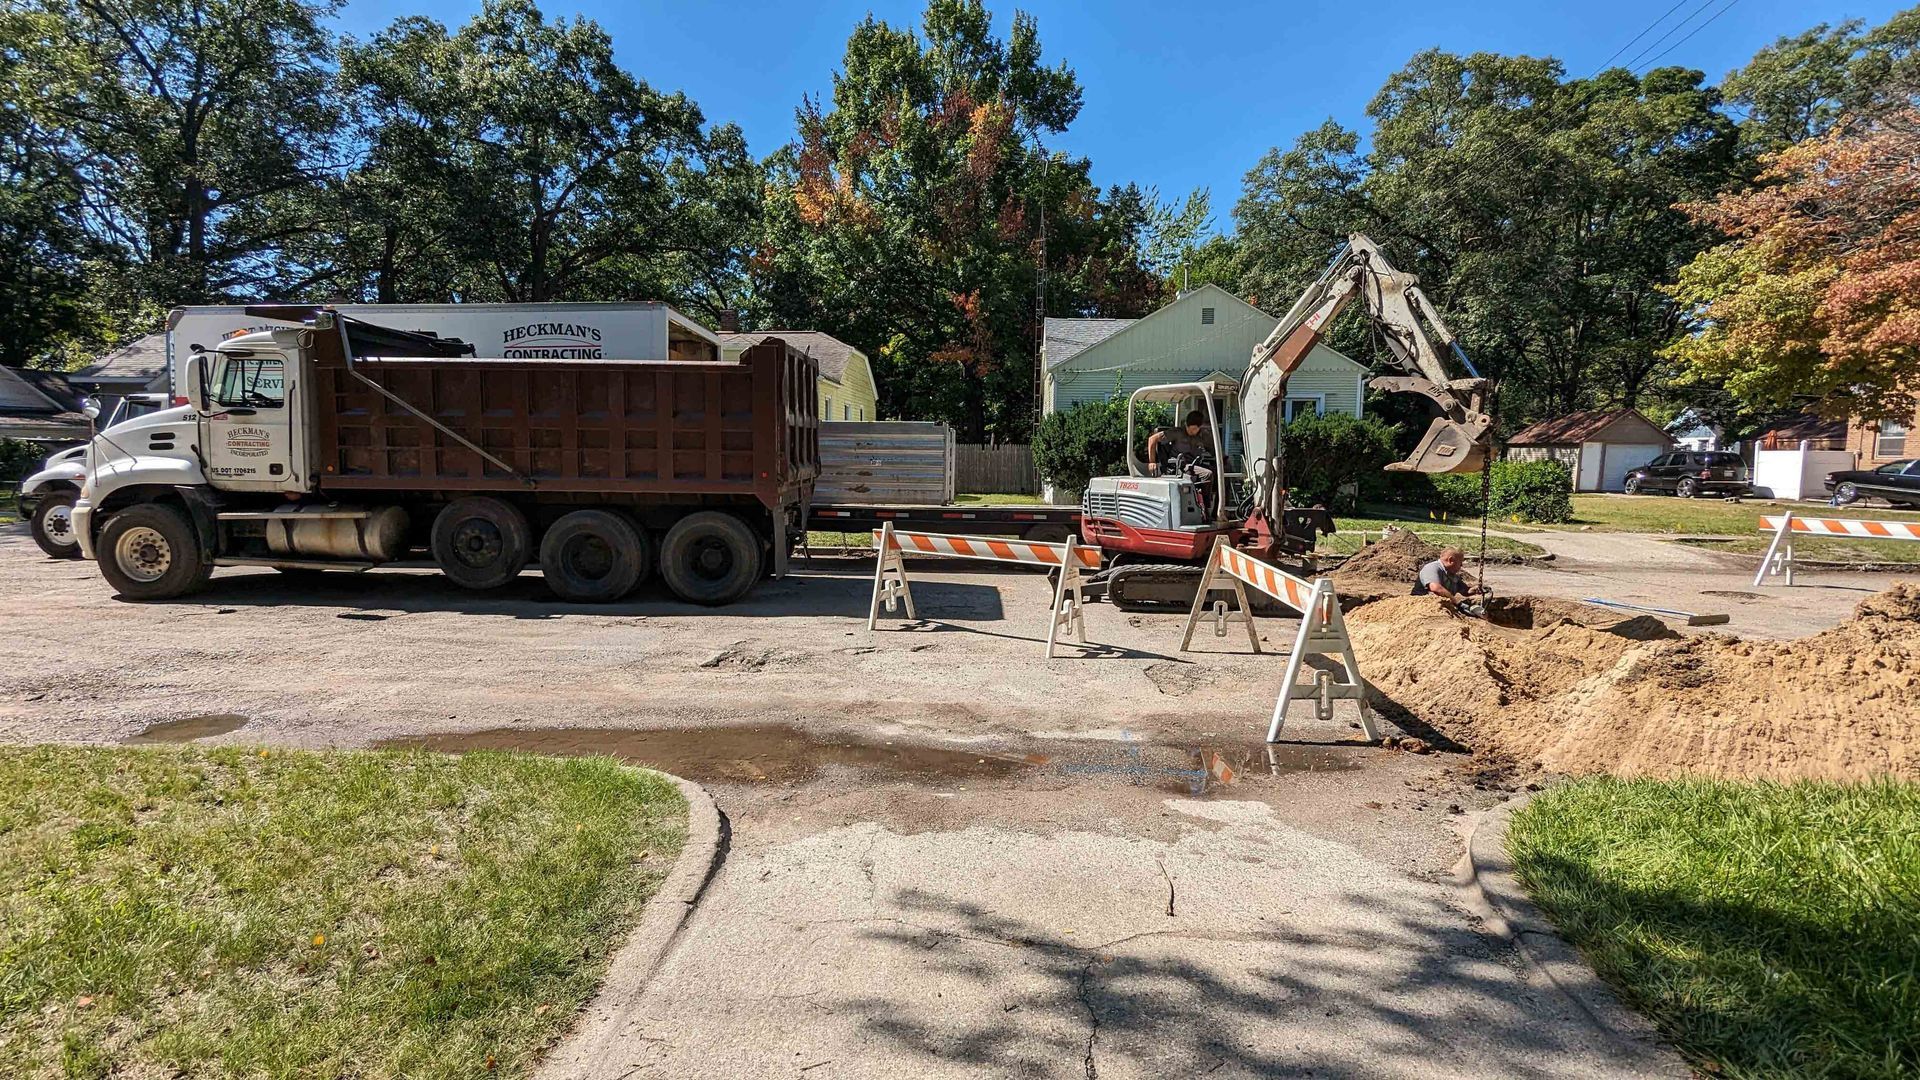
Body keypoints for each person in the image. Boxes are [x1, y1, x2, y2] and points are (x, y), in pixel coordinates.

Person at [1414, 546, 1486, 612]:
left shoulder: (1451, 575)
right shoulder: (1432, 568)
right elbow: (1436, 588)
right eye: (1460, 563)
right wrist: (1456, 602)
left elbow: (1465, 591)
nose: (1461, 566)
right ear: (1451, 560)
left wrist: (1474, 590)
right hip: (1420, 607)